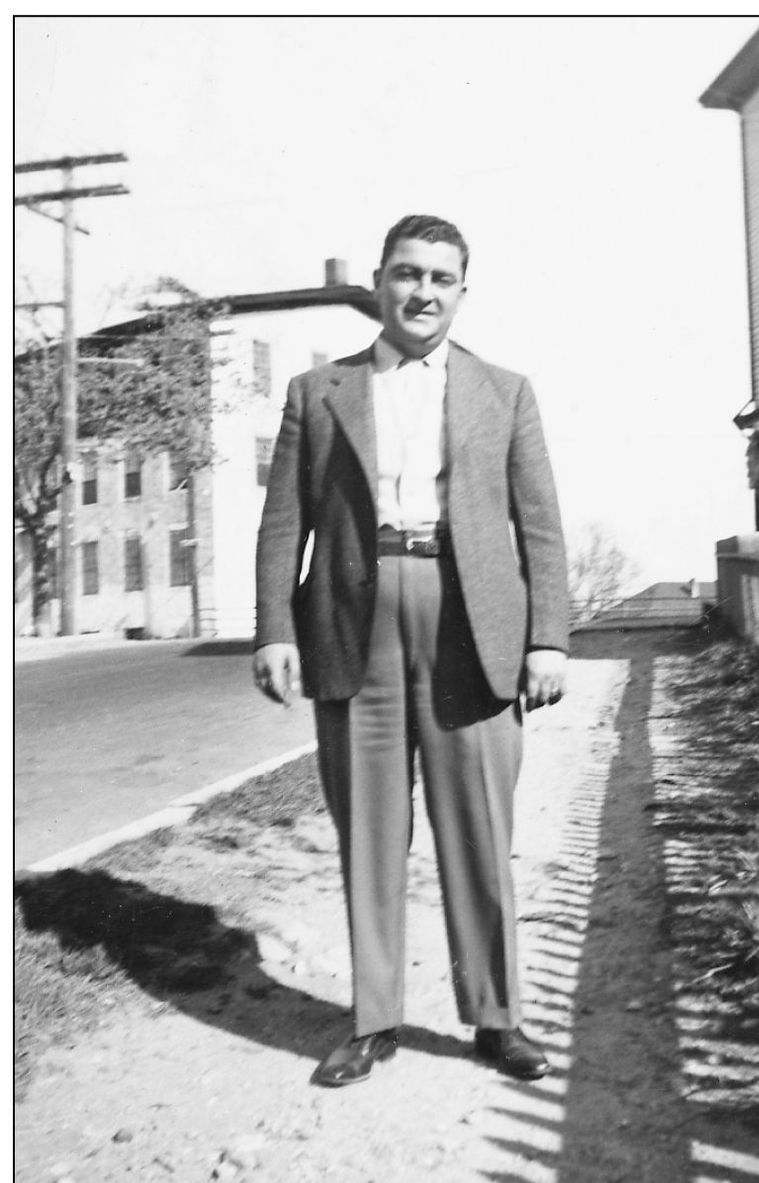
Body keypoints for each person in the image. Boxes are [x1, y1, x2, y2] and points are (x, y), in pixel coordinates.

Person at [253, 214, 569, 1087]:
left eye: (441, 277)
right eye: (406, 273)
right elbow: (285, 522)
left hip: (473, 625)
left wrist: (547, 638)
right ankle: (373, 1019)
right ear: (380, 283)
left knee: (478, 827)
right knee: (370, 828)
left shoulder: (505, 391)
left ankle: (497, 1018)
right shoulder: (318, 393)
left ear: (463, 291)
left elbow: (539, 524)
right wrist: (276, 629)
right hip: (355, 621)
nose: (422, 291)